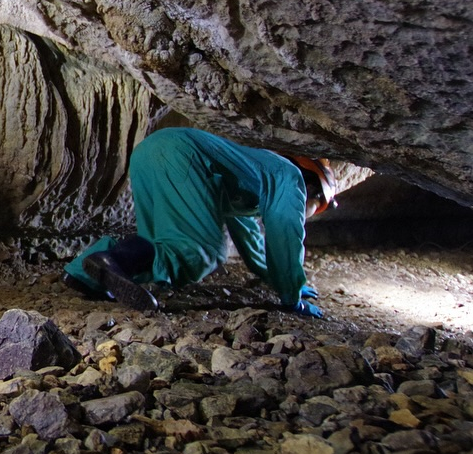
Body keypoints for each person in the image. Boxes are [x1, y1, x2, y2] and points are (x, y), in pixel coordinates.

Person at [65, 127, 338, 316]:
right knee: (201, 250)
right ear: (315, 190)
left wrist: (280, 278)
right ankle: (114, 261)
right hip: (183, 154)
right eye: (316, 207)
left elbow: (249, 237)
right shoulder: (291, 179)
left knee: (158, 239)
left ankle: (83, 272)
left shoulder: (259, 174)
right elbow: (285, 234)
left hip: (150, 150)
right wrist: (291, 295)